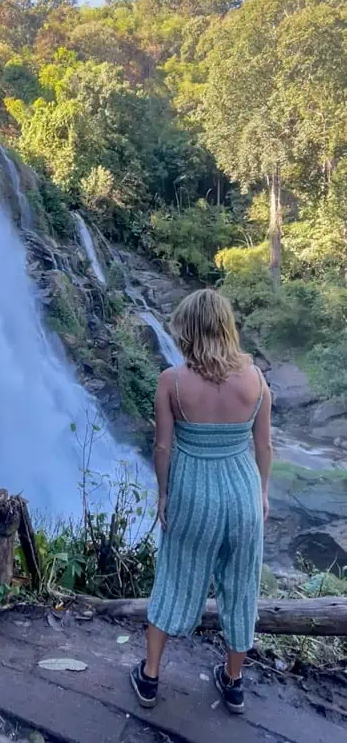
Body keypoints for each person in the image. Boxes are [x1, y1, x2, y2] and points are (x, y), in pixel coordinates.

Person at [130, 288, 272, 715]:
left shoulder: (172, 381)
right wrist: (262, 492)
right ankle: (233, 682)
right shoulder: (257, 379)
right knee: (242, 585)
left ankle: (151, 677)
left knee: (174, 577)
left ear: (187, 331)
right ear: (227, 328)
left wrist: (163, 493)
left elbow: (161, 448)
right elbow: (263, 446)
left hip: (194, 492)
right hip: (243, 491)